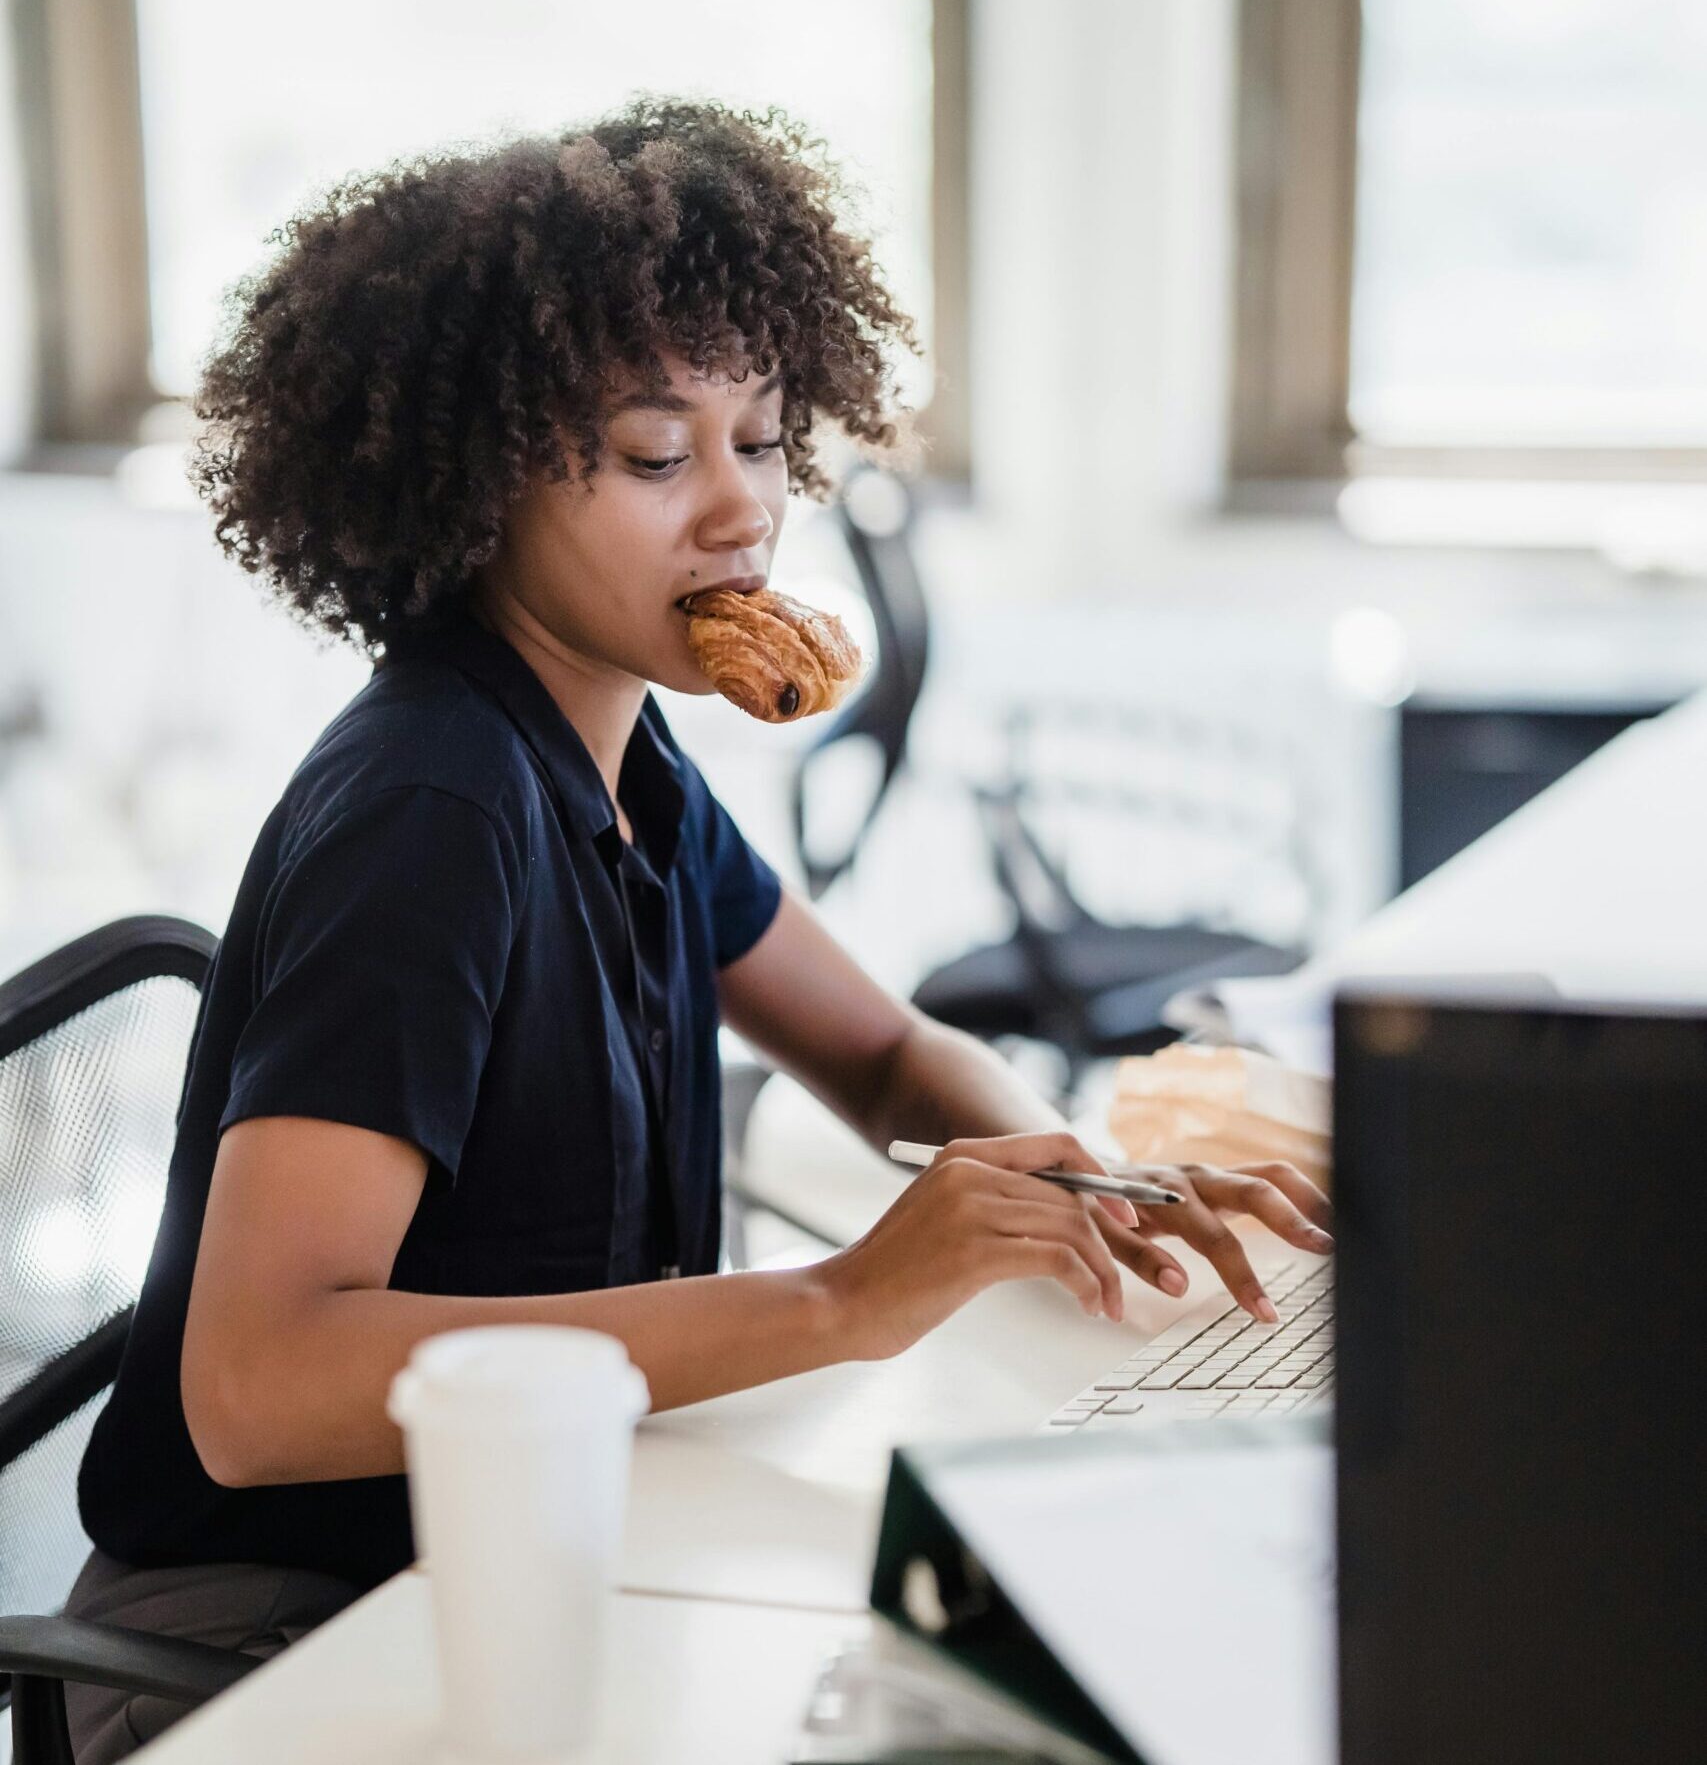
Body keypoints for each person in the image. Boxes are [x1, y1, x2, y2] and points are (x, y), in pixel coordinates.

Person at [62, 98, 1333, 1762]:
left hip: (545, 1535)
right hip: (277, 1636)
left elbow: (879, 1049)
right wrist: (844, 1300)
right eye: (659, 456)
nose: (741, 512)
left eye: (766, 436)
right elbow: (257, 1388)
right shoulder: (430, 816)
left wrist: (1079, 1196)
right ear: (475, 484)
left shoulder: (625, 758)